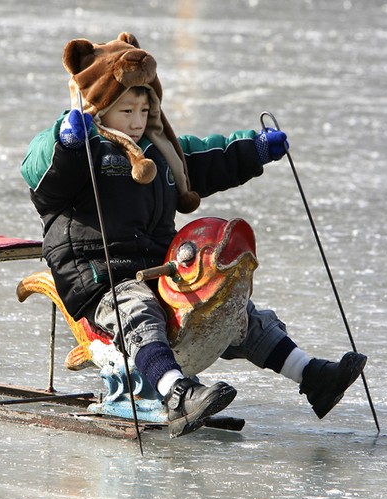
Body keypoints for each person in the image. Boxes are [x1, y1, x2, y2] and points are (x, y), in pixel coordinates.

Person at [21, 32, 367, 438]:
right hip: (102, 277)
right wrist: (66, 140)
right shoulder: (83, 150)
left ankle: (311, 376)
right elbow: (42, 176)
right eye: (125, 109)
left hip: (159, 267)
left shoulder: (161, 151)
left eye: (143, 108)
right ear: (99, 107)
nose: (135, 120)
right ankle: (176, 395)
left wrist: (254, 150)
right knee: (139, 313)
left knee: (232, 308)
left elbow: (210, 157)